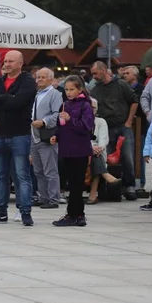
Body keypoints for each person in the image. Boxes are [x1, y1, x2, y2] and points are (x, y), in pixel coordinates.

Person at [0, 51, 37, 226]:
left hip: (19, 134)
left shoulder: (27, 81)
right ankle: (0, 211)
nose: (6, 64)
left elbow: (18, 102)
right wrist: (6, 98)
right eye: (5, 61)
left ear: (20, 63)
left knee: (22, 175)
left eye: (11, 61)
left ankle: (25, 212)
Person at [89, 61, 140, 200]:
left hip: (123, 126)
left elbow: (134, 101)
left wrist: (129, 122)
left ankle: (130, 186)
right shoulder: (95, 89)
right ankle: (109, 186)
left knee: (127, 156)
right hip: (106, 127)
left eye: (95, 73)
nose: (93, 76)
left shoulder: (121, 84)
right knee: (107, 158)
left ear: (104, 70)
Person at [52, 76, 94, 226]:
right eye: (66, 89)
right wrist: (56, 136)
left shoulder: (85, 105)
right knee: (71, 182)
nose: (68, 92)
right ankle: (77, 214)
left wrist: (71, 119)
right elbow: (60, 125)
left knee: (77, 183)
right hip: (66, 148)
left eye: (72, 89)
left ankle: (74, 214)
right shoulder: (65, 104)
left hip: (80, 149)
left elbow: (87, 127)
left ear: (80, 90)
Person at [31, 67, 63, 209]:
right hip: (34, 136)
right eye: (38, 77)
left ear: (51, 79)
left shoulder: (55, 94)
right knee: (38, 170)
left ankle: (53, 199)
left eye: (43, 77)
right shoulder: (37, 94)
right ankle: (43, 197)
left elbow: (57, 114)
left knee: (50, 170)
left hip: (47, 136)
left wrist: (44, 121)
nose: (40, 80)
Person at [86, 98, 122, 204]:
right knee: (95, 157)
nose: (91, 109)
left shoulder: (101, 122)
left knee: (96, 157)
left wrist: (97, 148)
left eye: (93, 107)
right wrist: (90, 148)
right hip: (83, 150)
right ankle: (105, 175)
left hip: (98, 152)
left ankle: (93, 195)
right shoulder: (80, 121)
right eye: (89, 107)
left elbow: (103, 139)